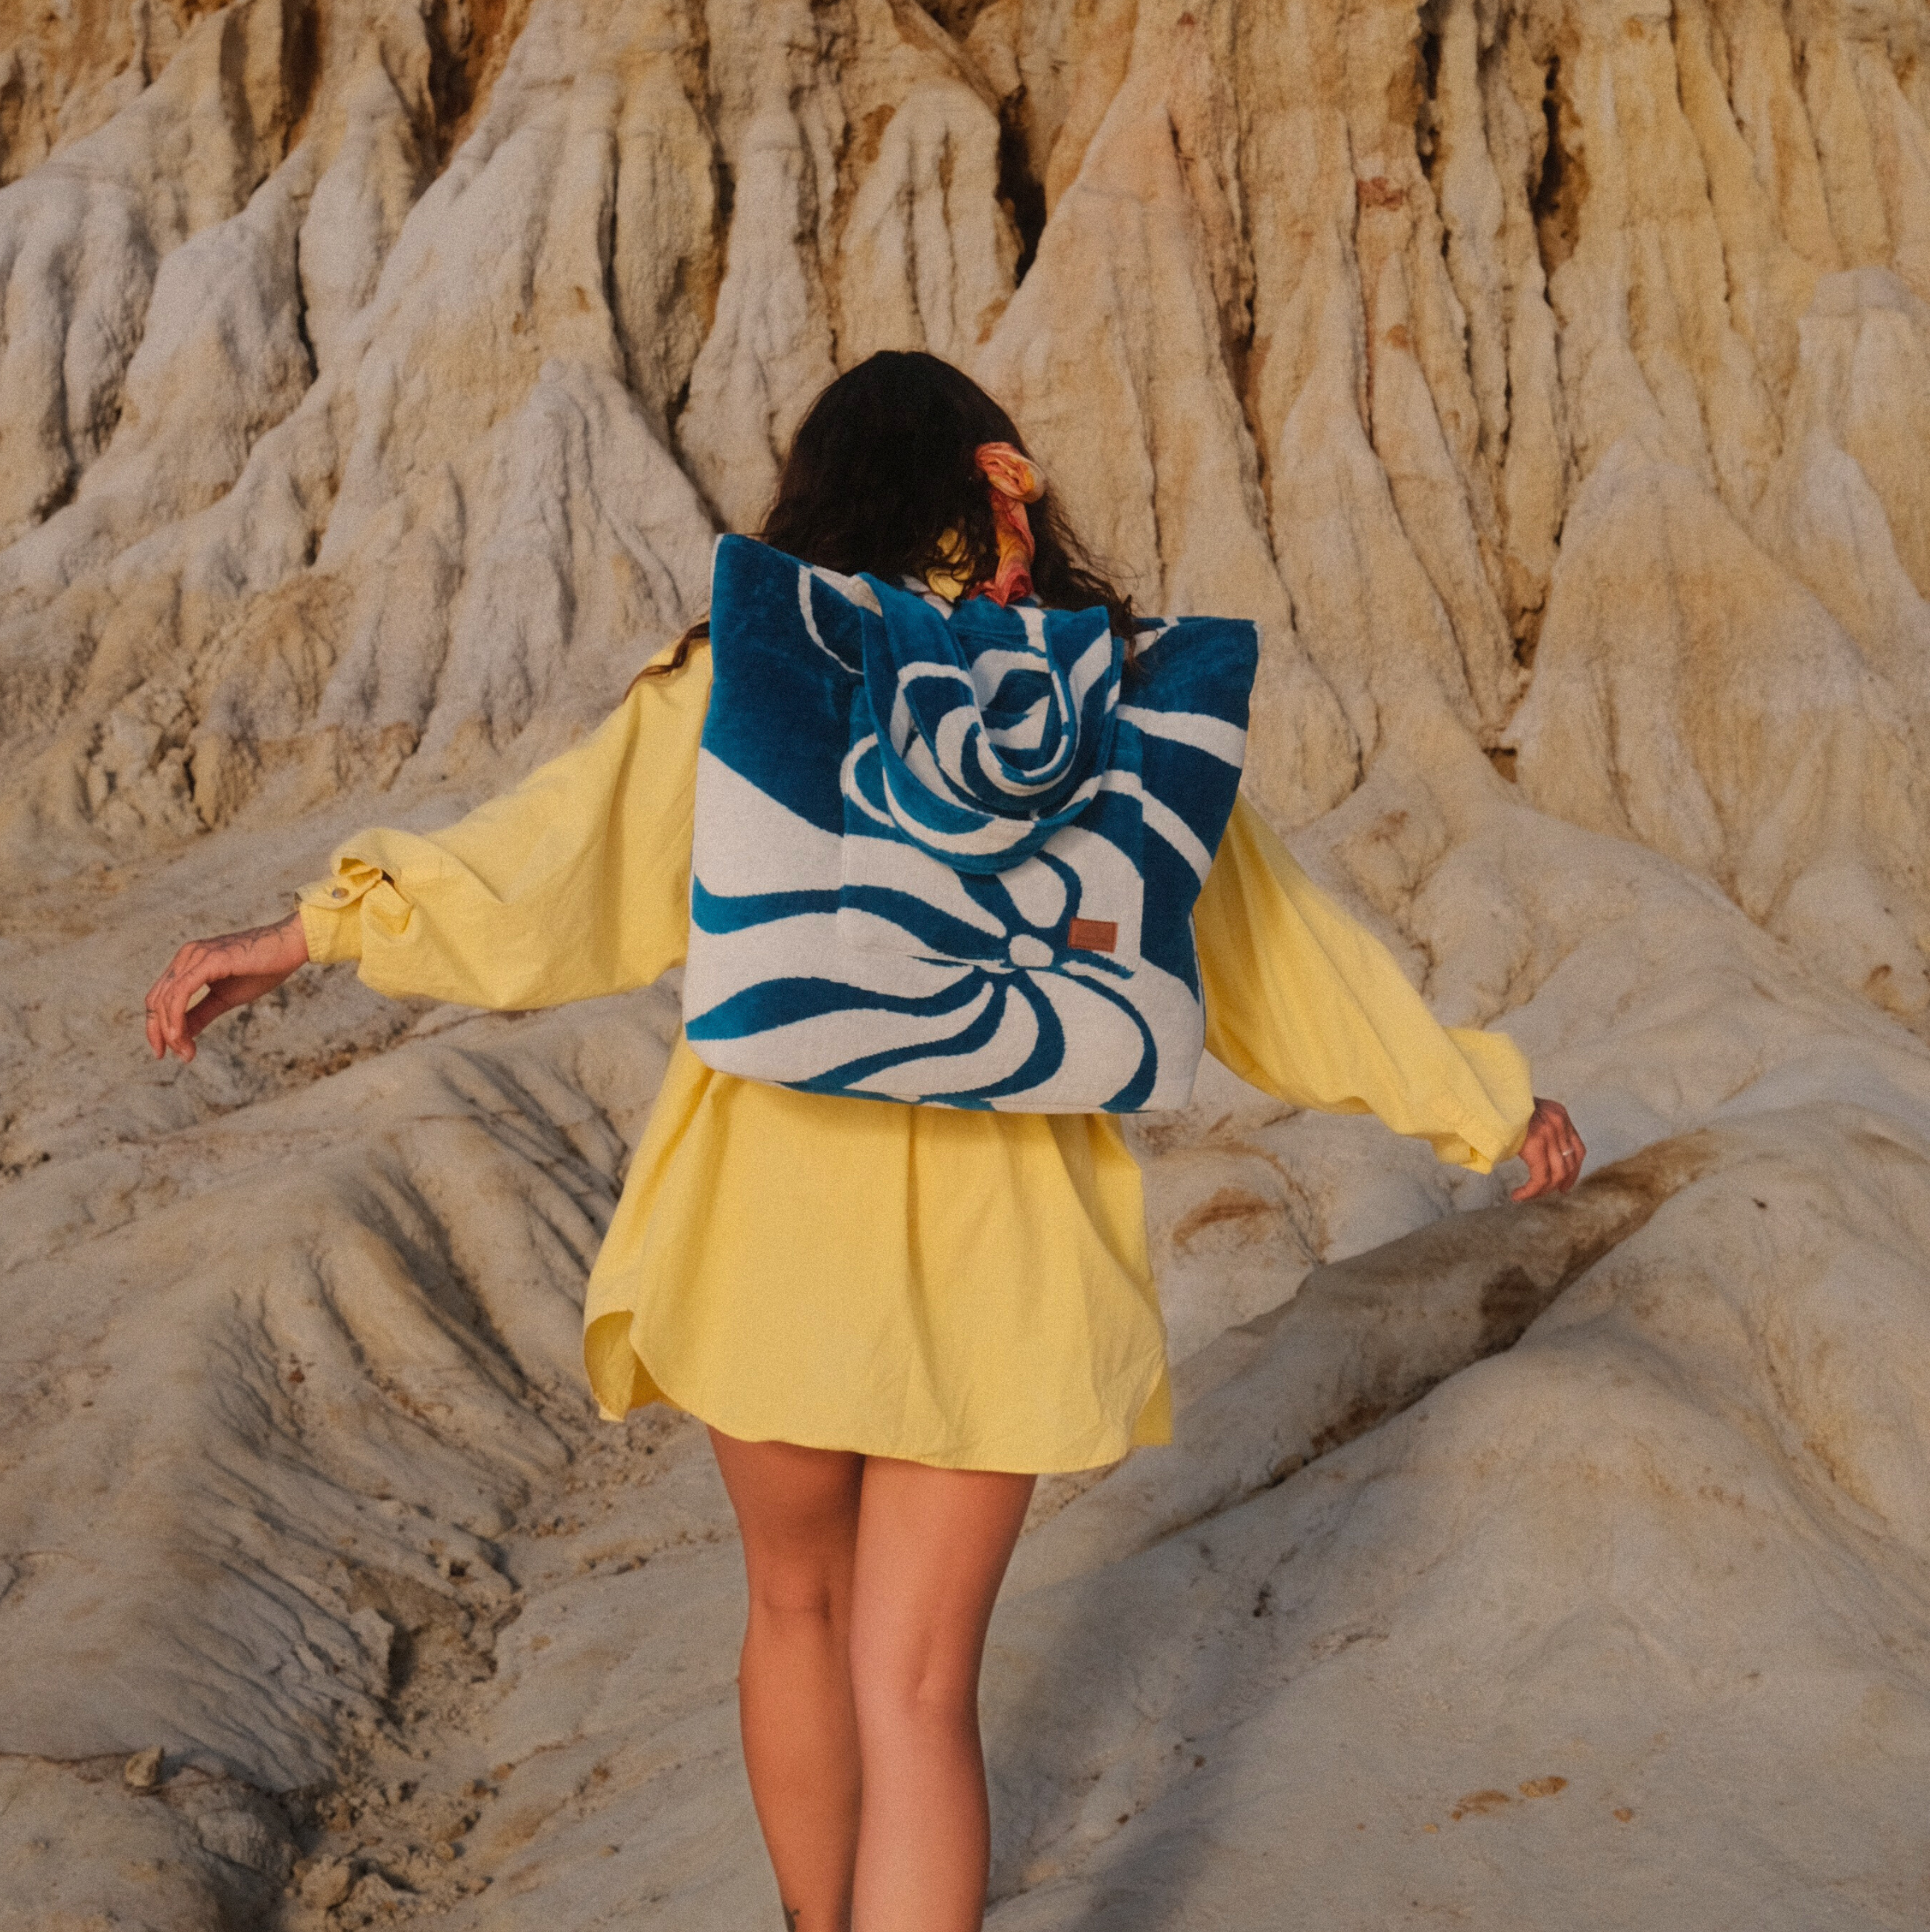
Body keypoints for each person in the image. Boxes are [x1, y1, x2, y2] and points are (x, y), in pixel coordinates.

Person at [145, 351, 1586, 1932]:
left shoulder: (760, 675)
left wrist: (309, 934)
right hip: (1004, 1248)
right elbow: (1278, 952)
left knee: (795, 1613)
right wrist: (1481, 1101)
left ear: (821, 496)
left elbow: (545, 865)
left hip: (773, 1222)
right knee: (917, 1688)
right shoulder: (1103, 707)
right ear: (1000, 481)